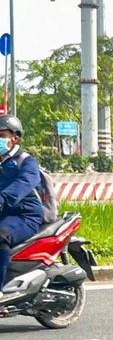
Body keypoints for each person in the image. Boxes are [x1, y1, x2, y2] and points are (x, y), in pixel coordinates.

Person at [0, 115, 45, 295]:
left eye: (1, 135)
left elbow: (23, 185)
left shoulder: (26, 162)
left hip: (25, 216)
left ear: (15, 138)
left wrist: (2, 199)